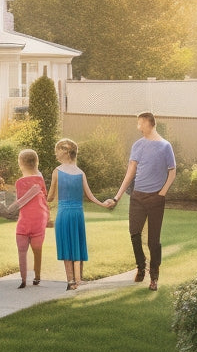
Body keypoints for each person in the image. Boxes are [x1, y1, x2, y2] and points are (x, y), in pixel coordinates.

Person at [106, 112, 176, 291]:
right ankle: (140, 267)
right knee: (134, 233)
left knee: (154, 240)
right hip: (137, 196)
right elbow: (130, 172)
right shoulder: (137, 145)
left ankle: (154, 276)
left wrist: (162, 193)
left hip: (155, 199)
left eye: (140, 123)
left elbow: (172, 172)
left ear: (149, 123)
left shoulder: (165, 146)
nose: (138, 127)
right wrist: (117, 196)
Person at [48, 138, 112, 290]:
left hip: (64, 213)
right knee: (77, 243)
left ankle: (70, 281)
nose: (55, 153)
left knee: (66, 246)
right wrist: (104, 204)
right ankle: (79, 279)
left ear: (65, 151)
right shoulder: (81, 173)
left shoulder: (57, 172)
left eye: (57, 150)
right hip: (77, 213)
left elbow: (50, 197)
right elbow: (90, 196)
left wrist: (40, 195)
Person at [6, 149, 49, 288]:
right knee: (37, 250)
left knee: (22, 251)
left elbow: (20, 201)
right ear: (36, 163)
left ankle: (23, 279)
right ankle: (37, 277)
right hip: (39, 220)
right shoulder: (40, 179)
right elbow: (45, 197)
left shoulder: (19, 183)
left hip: (24, 221)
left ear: (20, 164)